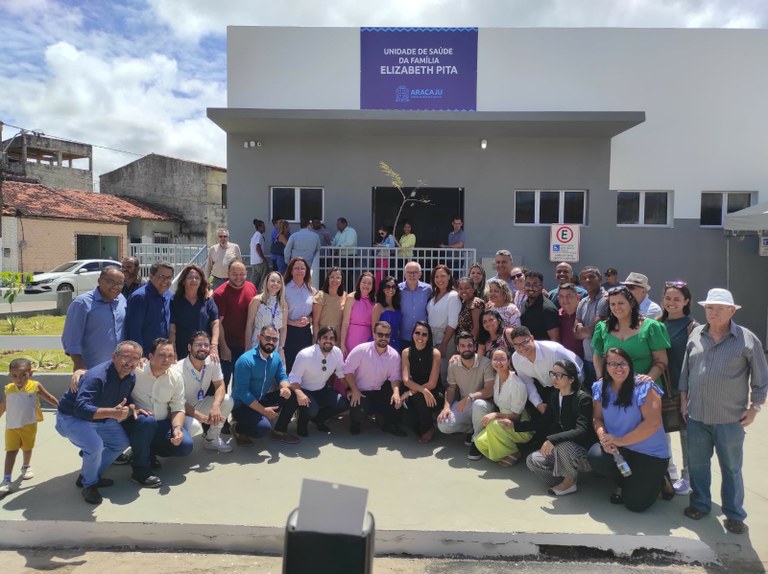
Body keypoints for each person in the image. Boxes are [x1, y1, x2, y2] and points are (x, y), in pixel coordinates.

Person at [679, 288, 767, 535]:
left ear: (731, 310)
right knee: (697, 465)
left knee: (731, 468)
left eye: (719, 308)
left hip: (730, 418)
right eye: (709, 307)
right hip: (696, 415)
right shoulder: (696, 334)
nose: (713, 312)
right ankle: (699, 504)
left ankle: (734, 514)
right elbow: (686, 371)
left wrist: (755, 408)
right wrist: (684, 399)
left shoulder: (747, 339)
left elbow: (761, 378)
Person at [55, 341, 143, 504]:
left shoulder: (130, 376)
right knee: (94, 446)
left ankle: (89, 475)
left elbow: (125, 396)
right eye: (125, 357)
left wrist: (133, 407)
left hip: (100, 417)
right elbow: (80, 408)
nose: (129, 362)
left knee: (120, 443)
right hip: (71, 417)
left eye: (135, 358)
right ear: (114, 356)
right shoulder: (96, 377)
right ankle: (89, 485)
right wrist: (113, 413)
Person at [591, 347, 673, 512]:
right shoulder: (600, 387)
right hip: (620, 448)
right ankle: (624, 482)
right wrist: (604, 438)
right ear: (605, 367)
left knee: (635, 505)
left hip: (649, 452)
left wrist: (619, 440)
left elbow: (653, 424)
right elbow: (597, 418)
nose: (618, 368)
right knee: (596, 456)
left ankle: (661, 477)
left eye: (622, 363)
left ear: (630, 365)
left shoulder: (644, 387)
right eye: (612, 364)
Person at [122, 338, 194, 489]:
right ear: (150, 356)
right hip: (137, 423)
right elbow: (111, 367)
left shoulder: (175, 378)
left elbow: (178, 408)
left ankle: (148, 453)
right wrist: (81, 371)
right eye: (162, 355)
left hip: (161, 425)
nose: (166, 359)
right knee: (147, 421)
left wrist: (177, 429)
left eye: (170, 356)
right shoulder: (135, 370)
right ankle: (140, 472)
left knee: (185, 445)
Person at [524, 360, 595, 495]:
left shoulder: (583, 399)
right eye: (553, 374)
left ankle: (569, 483)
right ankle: (562, 479)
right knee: (532, 460)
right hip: (561, 451)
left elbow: (581, 430)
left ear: (571, 379)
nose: (554, 378)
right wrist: (514, 426)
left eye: (559, 375)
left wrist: (553, 439)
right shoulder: (555, 396)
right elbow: (543, 422)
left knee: (563, 445)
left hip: (582, 453)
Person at [659, 281, 698, 495]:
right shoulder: (656, 323)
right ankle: (668, 470)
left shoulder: (692, 326)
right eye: (668, 298)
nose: (671, 302)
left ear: (686, 301)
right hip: (660, 388)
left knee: (686, 434)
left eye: (676, 299)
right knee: (662, 432)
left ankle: (688, 477)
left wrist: (687, 391)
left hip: (684, 389)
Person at [231, 326, 300, 445]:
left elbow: (282, 376)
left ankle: (279, 431)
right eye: (267, 338)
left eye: (274, 339)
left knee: (293, 394)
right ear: (259, 337)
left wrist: (285, 387)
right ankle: (238, 428)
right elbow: (243, 393)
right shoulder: (245, 360)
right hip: (242, 406)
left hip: (261, 399)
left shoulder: (276, 358)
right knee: (263, 429)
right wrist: (263, 411)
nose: (271, 342)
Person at [0, 358, 58, 496]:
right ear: (10, 376)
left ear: (30, 373)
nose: (19, 379)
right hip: (12, 427)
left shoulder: (35, 386)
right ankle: (6, 479)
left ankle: (26, 466)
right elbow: (3, 406)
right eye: (15, 376)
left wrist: (62, 407)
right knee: (11, 451)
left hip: (29, 425)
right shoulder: (8, 389)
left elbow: (49, 397)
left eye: (23, 375)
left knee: (27, 448)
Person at [592, 286, 670, 383]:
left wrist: (648, 379)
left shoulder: (651, 327)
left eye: (621, 303)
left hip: (645, 389)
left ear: (632, 303)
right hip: (613, 388)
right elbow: (598, 355)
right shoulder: (602, 327)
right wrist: (600, 378)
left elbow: (661, 361)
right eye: (613, 304)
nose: (617, 308)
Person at [436, 332, 495, 459]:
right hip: (466, 404)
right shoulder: (453, 364)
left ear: (474, 346)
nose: (466, 349)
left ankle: (477, 442)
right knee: (443, 424)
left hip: (484, 404)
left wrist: (471, 397)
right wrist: (446, 407)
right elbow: (451, 388)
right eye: (462, 346)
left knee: (478, 405)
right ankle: (473, 430)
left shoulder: (485, 363)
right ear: (457, 348)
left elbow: (489, 391)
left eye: (469, 345)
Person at [173, 331, 234, 453]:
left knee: (227, 400)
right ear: (190, 347)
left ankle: (211, 439)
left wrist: (216, 406)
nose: (203, 348)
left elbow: (220, 385)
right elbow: (177, 401)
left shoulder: (212, 361)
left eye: (206, 345)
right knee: (194, 426)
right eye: (198, 345)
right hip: (179, 410)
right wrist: (201, 417)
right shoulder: (177, 369)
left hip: (198, 403)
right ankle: (175, 443)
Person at [342, 321, 405, 436]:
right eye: (380, 334)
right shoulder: (361, 350)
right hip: (361, 392)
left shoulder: (394, 356)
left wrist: (396, 392)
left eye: (387, 335)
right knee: (359, 412)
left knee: (394, 394)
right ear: (374, 335)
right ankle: (355, 423)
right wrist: (354, 390)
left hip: (379, 391)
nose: (383, 338)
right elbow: (347, 370)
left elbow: (395, 378)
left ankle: (388, 424)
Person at [473, 348, 533, 466]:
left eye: (502, 359)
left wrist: (495, 414)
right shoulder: (496, 378)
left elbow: (516, 417)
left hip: (519, 426)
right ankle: (503, 448)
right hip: (503, 424)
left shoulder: (517, 384)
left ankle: (513, 452)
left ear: (508, 361)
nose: (498, 362)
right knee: (479, 442)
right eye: (495, 359)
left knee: (493, 425)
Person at [62, 266, 127, 371]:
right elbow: (71, 338)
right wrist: (79, 365)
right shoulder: (82, 303)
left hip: (118, 368)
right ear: (99, 280)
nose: (115, 286)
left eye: (120, 283)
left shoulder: (122, 300)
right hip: (90, 368)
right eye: (110, 281)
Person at [288, 326, 350, 437]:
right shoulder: (305, 355)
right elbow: (293, 378)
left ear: (335, 341)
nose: (328, 340)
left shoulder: (337, 352)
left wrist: (349, 389)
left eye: (332, 338)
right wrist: (300, 394)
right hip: (305, 390)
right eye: (325, 337)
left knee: (343, 404)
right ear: (318, 339)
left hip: (322, 389)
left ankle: (318, 419)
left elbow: (340, 374)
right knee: (312, 409)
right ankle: (302, 422)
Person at [509, 326, 583, 414]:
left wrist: (568, 399)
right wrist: (538, 404)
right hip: (549, 386)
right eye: (517, 345)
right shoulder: (516, 358)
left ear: (532, 338)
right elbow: (527, 382)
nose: (521, 348)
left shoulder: (554, 351)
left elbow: (576, 374)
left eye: (524, 343)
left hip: (574, 381)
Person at [212, 261, 258, 389]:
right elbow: (217, 323)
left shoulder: (251, 287)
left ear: (246, 273)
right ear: (228, 274)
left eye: (242, 274)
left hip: (246, 346)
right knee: (223, 383)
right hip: (228, 347)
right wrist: (224, 347)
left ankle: (238, 409)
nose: (238, 277)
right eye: (234, 274)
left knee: (242, 384)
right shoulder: (220, 294)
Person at [400, 322, 441, 443]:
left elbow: (432, 383)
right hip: (417, 388)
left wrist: (410, 393)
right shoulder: (406, 352)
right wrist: (421, 390)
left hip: (432, 393)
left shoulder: (435, 353)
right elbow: (406, 380)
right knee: (408, 421)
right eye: (417, 333)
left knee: (419, 397)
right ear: (412, 335)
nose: (420, 337)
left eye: (424, 334)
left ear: (428, 337)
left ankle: (429, 429)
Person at [169, 264, 219, 360]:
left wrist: (214, 346)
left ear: (201, 281)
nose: (194, 280)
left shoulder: (207, 300)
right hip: (182, 351)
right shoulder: (174, 301)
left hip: (204, 350)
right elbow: (172, 329)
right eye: (190, 277)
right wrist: (173, 350)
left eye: (197, 278)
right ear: (183, 281)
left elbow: (215, 323)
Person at [125, 261, 174, 357]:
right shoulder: (139, 297)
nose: (165, 281)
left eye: (169, 278)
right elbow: (134, 331)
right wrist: (139, 355)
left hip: (165, 354)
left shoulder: (169, 295)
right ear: (151, 276)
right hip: (146, 356)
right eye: (161, 276)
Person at [574, 266, 609, 386]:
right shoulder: (583, 301)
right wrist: (584, 330)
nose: (587, 280)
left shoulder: (606, 299)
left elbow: (591, 332)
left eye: (591, 277)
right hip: (587, 358)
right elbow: (575, 332)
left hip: (603, 360)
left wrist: (582, 329)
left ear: (599, 278)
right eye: (584, 278)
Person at [427, 264, 461, 383]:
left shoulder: (453, 296)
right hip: (432, 337)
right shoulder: (433, 295)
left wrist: (444, 344)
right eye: (436, 276)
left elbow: (453, 321)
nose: (439, 279)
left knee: (445, 372)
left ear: (449, 277)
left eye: (443, 276)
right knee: (433, 371)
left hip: (446, 337)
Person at [282, 257, 316, 372]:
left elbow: (314, 313)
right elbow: (278, 313)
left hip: (305, 332)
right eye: (296, 268)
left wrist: (309, 319)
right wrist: (292, 322)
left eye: (302, 268)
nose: (299, 271)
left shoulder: (311, 290)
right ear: (291, 271)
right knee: (289, 365)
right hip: (288, 331)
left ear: (306, 271)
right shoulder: (284, 289)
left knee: (304, 364)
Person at [245, 271, 287, 359]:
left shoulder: (283, 304)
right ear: (266, 282)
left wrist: (281, 348)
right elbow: (249, 324)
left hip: (274, 343)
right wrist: (248, 346)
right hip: (257, 341)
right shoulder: (257, 300)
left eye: (279, 282)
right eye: (272, 280)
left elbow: (283, 328)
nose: (275, 284)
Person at [340, 271, 376, 357]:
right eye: (364, 282)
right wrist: (342, 344)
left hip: (368, 337)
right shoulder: (351, 298)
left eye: (369, 283)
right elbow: (345, 323)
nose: (366, 285)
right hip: (352, 337)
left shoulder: (374, 301)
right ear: (359, 283)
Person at [398, 262, 432, 351]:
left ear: (420, 274)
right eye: (409, 272)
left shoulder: (428, 289)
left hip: (422, 337)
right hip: (403, 336)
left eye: (415, 272)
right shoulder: (398, 289)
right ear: (404, 274)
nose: (412, 275)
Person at [519, 270, 560, 342]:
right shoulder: (523, 304)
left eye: (535, 284)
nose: (531, 288)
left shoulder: (548, 309)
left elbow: (555, 340)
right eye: (528, 284)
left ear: (541, 286)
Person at [312, 266, 346, 342]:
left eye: (338, 277)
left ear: (341, 280)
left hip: (337, 339)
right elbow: (315, 322)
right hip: (322, 338)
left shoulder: (345, 296)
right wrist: (318, 341)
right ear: (328, 279)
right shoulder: (320, 295)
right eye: (332, 277)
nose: (335, 280)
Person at [372, 276, 402, 352]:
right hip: (381, 341)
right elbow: (373, 328)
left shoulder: (397, 306)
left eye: (393, 287)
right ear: (382, 289)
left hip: (395, 341)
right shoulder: (378, 306)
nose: (390, 289)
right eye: (387, 287)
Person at [556, 283, 584, 360]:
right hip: (563, 361)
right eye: (561, 296)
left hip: (584, 362)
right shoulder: (556, 316)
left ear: (578, 297)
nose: (565, 300)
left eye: (569, 296)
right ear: (558, 299)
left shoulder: (584, 315)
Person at [331, 217, 358, 288]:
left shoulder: (351, 231)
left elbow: (349, 243)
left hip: (350, 256)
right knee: (341, 276)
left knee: (348, 276)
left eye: (338, 224)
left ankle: (349, 293)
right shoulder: (338, 233)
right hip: (340, 257)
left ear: (344, 224)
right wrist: (330, 243)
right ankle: (342, 292)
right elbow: (334, 243)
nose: (337, 226)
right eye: (336, 224)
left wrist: (338, 247)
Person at [456, 277, 484, 343]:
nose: (463, 291)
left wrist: (467, 344)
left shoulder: (476, 303)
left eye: (467, 288)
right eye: (460, 288)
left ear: (473, 289)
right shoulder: (464, 302)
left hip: (471, 344)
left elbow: (476, 329)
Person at [250, 218, 269, 290]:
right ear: (260, 227)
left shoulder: (254, 236)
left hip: (254, 262)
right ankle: (263, 295)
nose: (265, 228)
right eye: (263, 226)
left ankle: (251, 293)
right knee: (264, 279)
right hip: (260, 261)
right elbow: (258, 247)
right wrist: (264, 259)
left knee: (254, 281)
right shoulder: (259, 235)